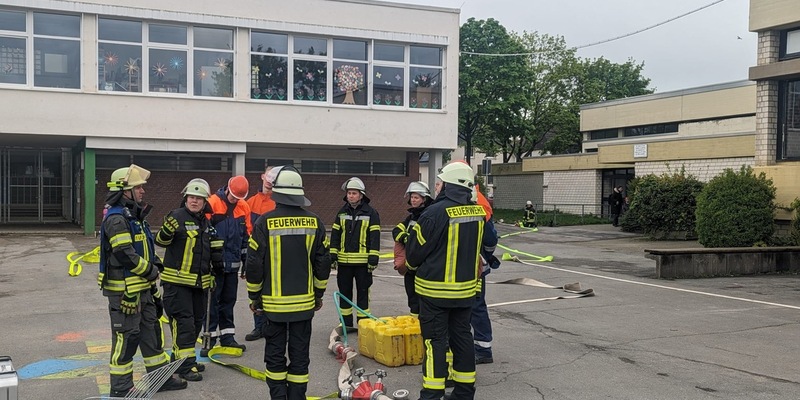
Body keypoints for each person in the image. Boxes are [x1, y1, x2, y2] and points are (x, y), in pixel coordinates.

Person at [406, 161, 495, 400]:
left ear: (448, 184)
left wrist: (411, 267)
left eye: (439, 182)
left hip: (435, 293)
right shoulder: (477, 211)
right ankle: (464, 392)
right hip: (465, 293)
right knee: (463, 339)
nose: (436, 187)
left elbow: (414, 253)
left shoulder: (435, 212)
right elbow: (487, 246)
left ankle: (432, 394)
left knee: (435, 343)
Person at [98, 164, 187, 396]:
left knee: (152, 336)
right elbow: (124, 254)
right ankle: (121, 388)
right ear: (124, 190)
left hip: (144, 292)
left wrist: (157, 264)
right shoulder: (117, 219)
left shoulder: (136, 218)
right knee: (126, 340)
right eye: (138, 187)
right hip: (124, 293)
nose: (142, 191)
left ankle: (160, 379)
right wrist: (150, 271)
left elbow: (145, 247)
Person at [245, 166, 330, 400]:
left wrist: (254, 297)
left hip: (273, 308)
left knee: (274, 357)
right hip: (304, 306)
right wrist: (319, 294)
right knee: (300, 356)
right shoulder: (315, 222)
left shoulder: (264, 222)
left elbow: (253, 265)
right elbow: (323, 264)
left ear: (277, 193)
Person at [155, 178, 223, 382]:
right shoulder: (176, 216)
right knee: (184, 325)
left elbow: (209, 249)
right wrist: (168, 229)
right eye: (191, 197)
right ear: (186, 198)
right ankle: (185, 367)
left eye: (199, 198)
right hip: (177, 285)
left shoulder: (205, 222)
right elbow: (161, 241)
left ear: (204, 202)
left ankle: (183, 360)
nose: (194, 201)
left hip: (198, 285)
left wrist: (214, 272)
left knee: (195, 324)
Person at [203, 175, 252, 355]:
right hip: (214, 265)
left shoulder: (243, 206)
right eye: (233, 196)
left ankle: (228, 337)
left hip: (232, 265)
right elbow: (205, 234)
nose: (235, 200)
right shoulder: (212, 203)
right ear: (227, 190)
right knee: (212, 303)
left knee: (228, 302)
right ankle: (210, 339)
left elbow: (246, 236)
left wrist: (246, 262)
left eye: (238, 198)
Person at [330, 177, 381, 328]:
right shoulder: (341, 213)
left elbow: (375, 236)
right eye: (349, 193)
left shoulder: (371, 213)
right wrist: (333, 254)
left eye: (354, 193)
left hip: (363, 264)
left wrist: (373, 257)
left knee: (363, 293)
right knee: (344, 294)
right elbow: (335, 235)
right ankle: (346, 324)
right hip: (344, 263)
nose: (351, 196)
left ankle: (364, 324)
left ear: (361, 195)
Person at [391, 181, 434, 317]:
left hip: (422, 267)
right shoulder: (411, 217)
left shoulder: (428, 216)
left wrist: (408, 239)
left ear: (424, 199)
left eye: (416, 197)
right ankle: (415, 324)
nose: (413, 200)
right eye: (412, 197)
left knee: (423, 299)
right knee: (412, 298)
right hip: (410, 266)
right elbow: (396, 230)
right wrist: (404, 237)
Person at [244, 167, 277, 342]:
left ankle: (272, 325)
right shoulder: (250, 202)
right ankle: (259, 327)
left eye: (274, 177)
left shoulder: (278, 202)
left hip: (275, 253)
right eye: (268, 176)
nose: (270, 180)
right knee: (256, 289)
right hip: (257, 253)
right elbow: (246, 229)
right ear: (262, 176)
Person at [471, 186, 500, 365]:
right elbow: (490, 241)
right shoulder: (477, 199)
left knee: (475, 306)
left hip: (474, 269)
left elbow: (489, 238)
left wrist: (484, 256)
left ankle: (482, 349)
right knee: (474, 306)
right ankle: (480, 348)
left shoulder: (476, 203)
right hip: (475, 266)